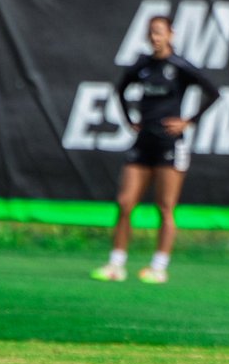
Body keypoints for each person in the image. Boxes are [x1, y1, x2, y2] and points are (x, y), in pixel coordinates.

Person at [91, 15, 220, 284]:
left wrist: (188, 121)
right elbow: (120, 89)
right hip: (143, 142)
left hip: (170, 144)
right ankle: (116, 263)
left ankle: (159, 266)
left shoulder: (179, 66)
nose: (155, 37)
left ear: (171, 34)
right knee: (125, 203)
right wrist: (129, 120)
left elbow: (213, 92)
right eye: (151, 32)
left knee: (164, 207)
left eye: (160, 32)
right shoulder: (143, 65)